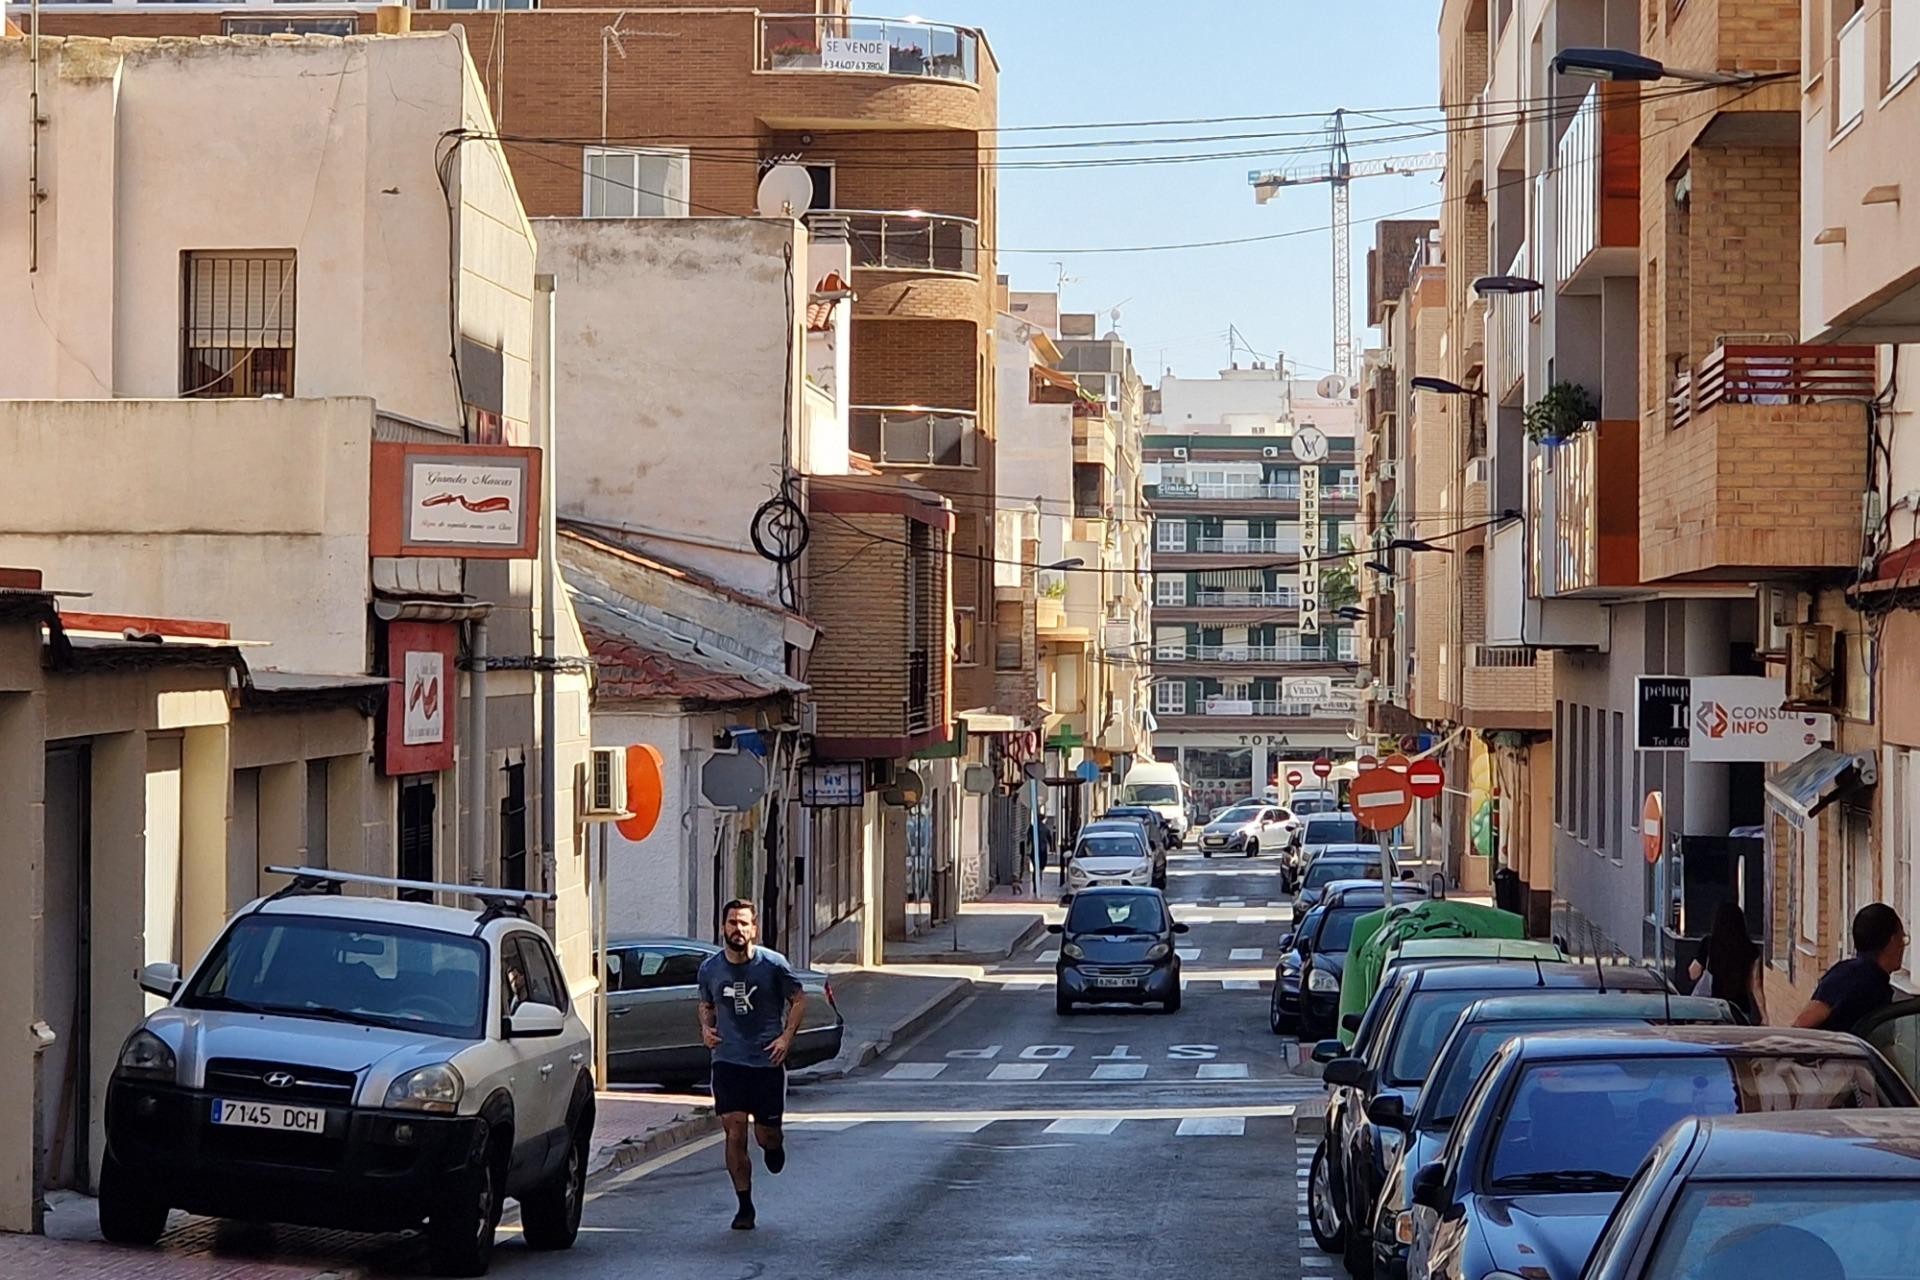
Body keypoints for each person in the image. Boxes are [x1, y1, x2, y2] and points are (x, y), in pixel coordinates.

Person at [697, 900, 805, 1230]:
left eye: (744, 924)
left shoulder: (773, 965)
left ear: (754, 929)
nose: (738, 929)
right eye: (732, 923)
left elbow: (799, 998)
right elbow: (705, 1003)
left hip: (766, 1062)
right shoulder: (710, 969)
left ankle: (775, 1143)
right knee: (734, 1131)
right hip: (728, 1061)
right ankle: (744, 1205)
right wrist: (705, 1027)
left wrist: (787, 1036)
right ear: (723, 927)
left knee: (765, 1136)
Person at [1793, 903, 1907, 1032]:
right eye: (1902, 939)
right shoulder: (1850, 978)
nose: (1903, 946)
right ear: (1892, 942)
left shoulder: (1847, 972)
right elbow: (1802, 1024)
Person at [1687, 901, 1766, 1023]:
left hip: (1711, 1009)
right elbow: (1755, 985)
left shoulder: (1709, 944)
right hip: (1738, 1010)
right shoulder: (1750, 949)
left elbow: (1693, 973)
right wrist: (1764, 1015)